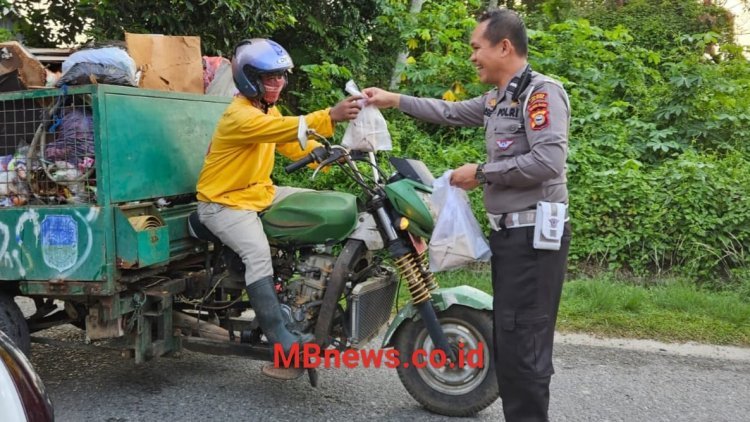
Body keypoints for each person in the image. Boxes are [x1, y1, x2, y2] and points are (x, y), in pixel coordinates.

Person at [363, 8, 571, 422]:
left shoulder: (540, 94)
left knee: (524, 343)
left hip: (532, 237)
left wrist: (481, 173)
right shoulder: (501, 97)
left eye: (477, 48)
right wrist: (393, 100)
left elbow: (548, 161)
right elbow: (451, 112)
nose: (473, 57)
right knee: (512, 339)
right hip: (512, 238)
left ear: (504, 47)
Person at [195, 38, 361, 379]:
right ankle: (281, 339)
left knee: (318, 205)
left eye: (281, 77)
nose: (278, 84)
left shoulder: (265, 110)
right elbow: (281, 129)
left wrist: (333, 153)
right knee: (258, 254)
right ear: (248, 78)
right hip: (222, 202)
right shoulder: (239, 115)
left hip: (258, 192)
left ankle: (307, 289)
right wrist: (330, 115)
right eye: (270, 78)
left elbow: (289, 142)